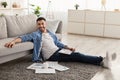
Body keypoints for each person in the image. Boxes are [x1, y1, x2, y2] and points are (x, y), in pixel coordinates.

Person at [4, 17, 116, 69]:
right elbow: (23, 38)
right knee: (77, 56)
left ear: (45, 24)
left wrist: (68, 47)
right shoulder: (35, 34)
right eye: (39, 24)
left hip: (58, 51)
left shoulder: (51, 33)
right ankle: (102, 60)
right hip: (51, 56)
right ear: (37, 25)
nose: (41, 26)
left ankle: (102, 61)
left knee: (76, 55)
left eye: (42, 23)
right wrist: (13, 41)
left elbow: (57, 43)